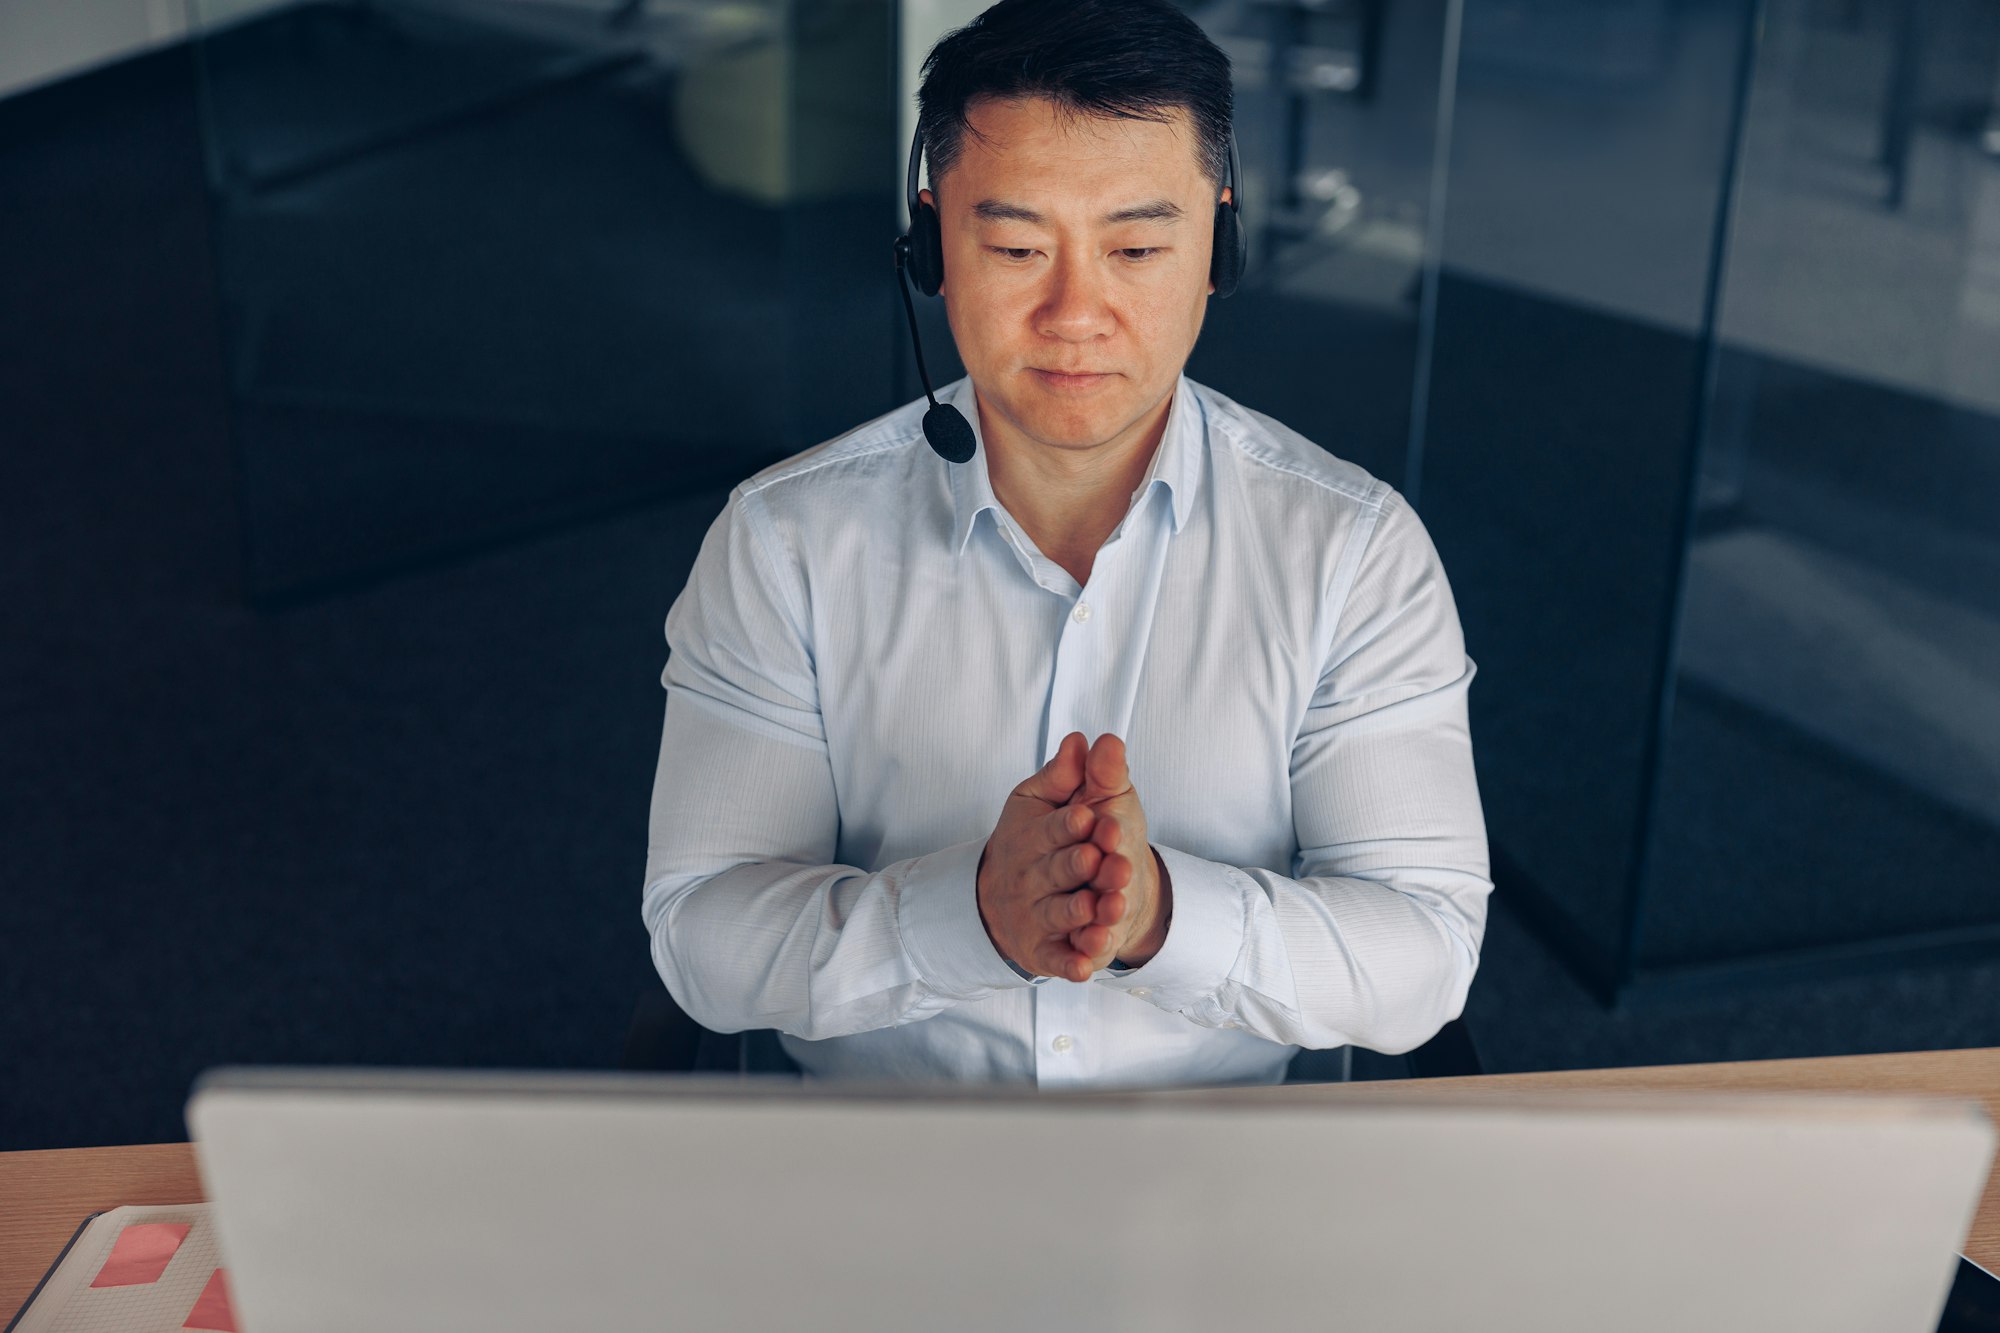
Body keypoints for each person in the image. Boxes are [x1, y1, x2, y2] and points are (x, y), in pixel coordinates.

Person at [641, 0, 1490, 1088]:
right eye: (1014, 245)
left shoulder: (1351, 550)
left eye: (1135, 246)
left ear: (1217, 240)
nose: (1075, 310)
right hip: (875, 1174)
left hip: (1220, 1185)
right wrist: (968, 917)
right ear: (928, 240)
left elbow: (1423, 956)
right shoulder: (783, 540)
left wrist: (1161, 915)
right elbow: (702, 939)